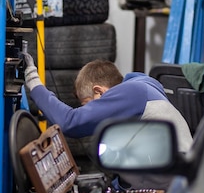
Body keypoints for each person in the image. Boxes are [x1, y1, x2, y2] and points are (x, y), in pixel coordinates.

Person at [24, 57, 193, 153]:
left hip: (171, 182)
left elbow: (70, 122)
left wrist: (34, 83)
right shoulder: (143, 87)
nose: (90, 111)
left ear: (99, 91)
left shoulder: (133, 91)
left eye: (88, 105)